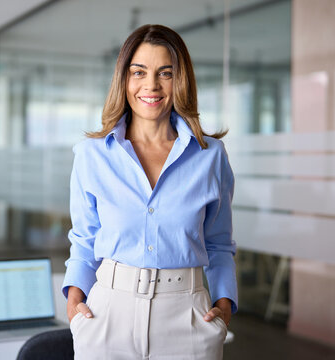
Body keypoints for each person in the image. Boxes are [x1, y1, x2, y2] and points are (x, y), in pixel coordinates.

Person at [62, 24, 237, 359]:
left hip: (187, 317)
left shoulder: (210, 156)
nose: (151, 85)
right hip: (107, 314)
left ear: (180, 80)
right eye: (138, 72)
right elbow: (85, 238)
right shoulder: (91, 154)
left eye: (165, 73)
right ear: (123, 79)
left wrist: (224, 302)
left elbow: (218, 242)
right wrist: (74, 300)